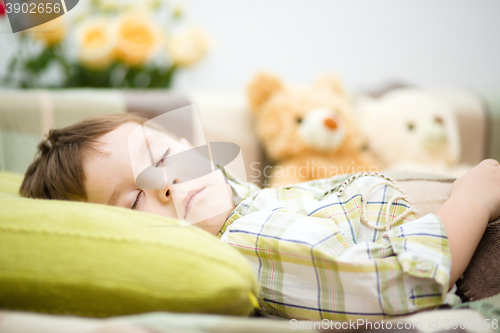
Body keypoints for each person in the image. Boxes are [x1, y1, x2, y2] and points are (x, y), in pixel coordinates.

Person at [20, 113, 500, 321]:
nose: (165, 183)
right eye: (131, 201)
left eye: (160, 154)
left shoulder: (245, 203)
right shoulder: (248, 240)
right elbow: (397, 278)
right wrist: (474, 196)